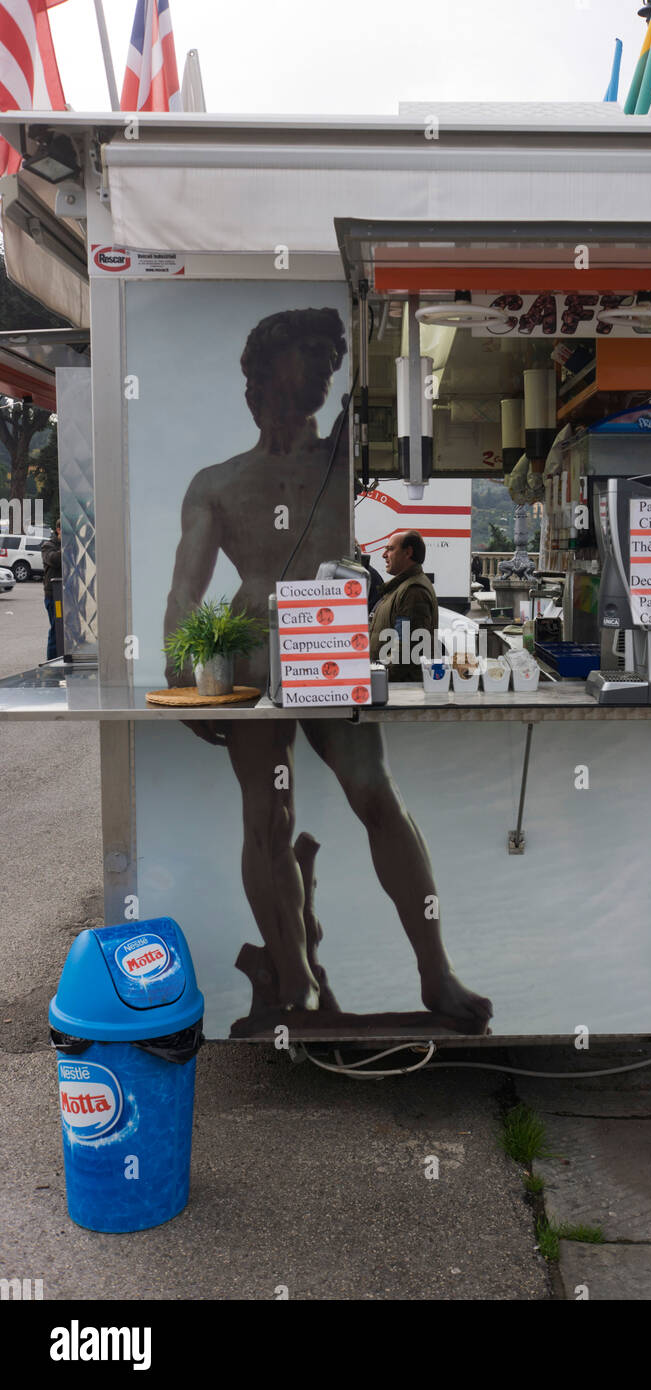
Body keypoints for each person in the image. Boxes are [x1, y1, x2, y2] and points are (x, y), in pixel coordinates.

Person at [163, 308, 491, 1031]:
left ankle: (436, 973)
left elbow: (421, 453)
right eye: (306, 353)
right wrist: (183, 673)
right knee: (267, 820)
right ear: (262, 369)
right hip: (250, 655)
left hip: (334, 646)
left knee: (375, 794)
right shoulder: (218, 482)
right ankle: (295, 978)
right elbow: (184, 593)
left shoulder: (351, 458)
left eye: (329, 355)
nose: (322, 366)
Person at [369, 530, 438, 680]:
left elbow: (404, 650)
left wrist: (378, 677)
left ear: (408, 552)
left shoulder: (413, 592)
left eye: (390, 549)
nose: (384, 555)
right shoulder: (401, 587)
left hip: (400, 689)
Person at [41, 519, 62, 660]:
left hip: (69, 594)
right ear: (59, 529)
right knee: (56, 630)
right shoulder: (48, 545)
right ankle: (52, 662)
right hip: (55, 596)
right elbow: (53, 559)